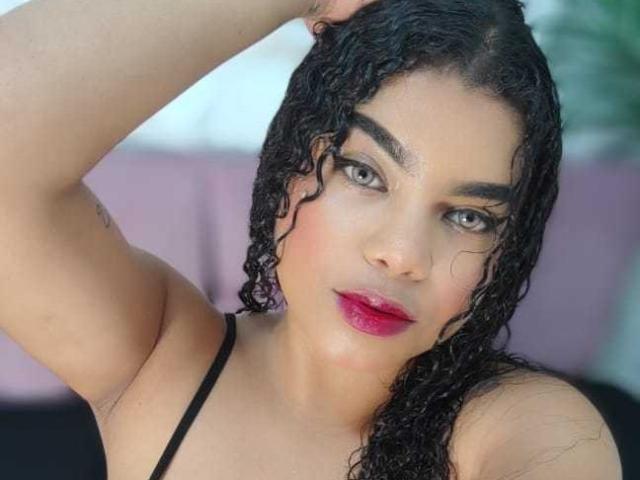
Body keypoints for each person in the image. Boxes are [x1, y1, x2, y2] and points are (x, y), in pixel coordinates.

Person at [0, 0, 622, 479]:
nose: (402, 255)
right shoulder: (160, 359)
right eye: (364, 173)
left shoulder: (533, 427)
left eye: (468, 216)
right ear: (290, 161)